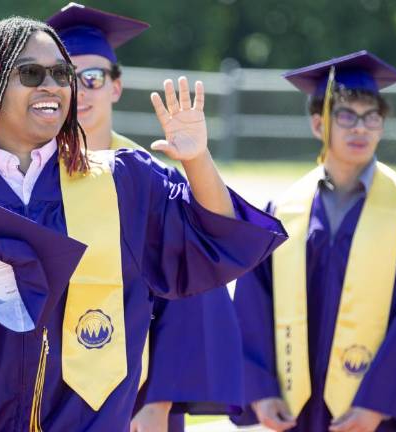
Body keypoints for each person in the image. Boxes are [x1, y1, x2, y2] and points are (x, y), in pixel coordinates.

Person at [0, 16, 287, 431]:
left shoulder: (122, 182)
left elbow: (216, 235)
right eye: (32, 74)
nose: (54, 86)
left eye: (62, 74)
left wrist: (196, 160)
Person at [47, 4, 247, 432]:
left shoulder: (145, 176)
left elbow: (192, 280)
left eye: (93, 79)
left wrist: (159, 402)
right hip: (45, 394)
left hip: (134, 400)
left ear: (116, 87)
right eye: (66, 77)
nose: (80, 91)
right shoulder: (31, 177)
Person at [230, 51, 396, 432]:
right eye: (346, 116)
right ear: (319, 124)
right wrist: (261, 390)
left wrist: (378, 404)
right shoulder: (284, 211)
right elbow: (253, 307)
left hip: (375, 418)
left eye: (372, 117)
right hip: (296, 413)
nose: (360, 128)